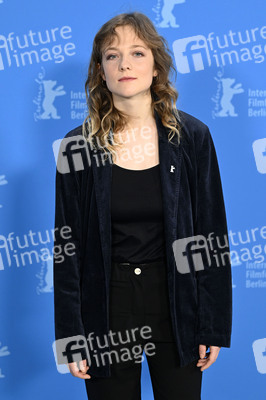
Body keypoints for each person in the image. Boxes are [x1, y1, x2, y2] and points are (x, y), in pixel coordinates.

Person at [53, 11, 232, 400]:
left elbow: (210, 234)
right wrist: (70, 334)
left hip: (176, 303)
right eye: (112, 55)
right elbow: (66, 248)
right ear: (101, 71)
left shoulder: (193, 137)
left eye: (137, 53)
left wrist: (212, 325)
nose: (125, 64)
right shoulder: (76, 147)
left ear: (156, 67)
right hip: (107, 308)